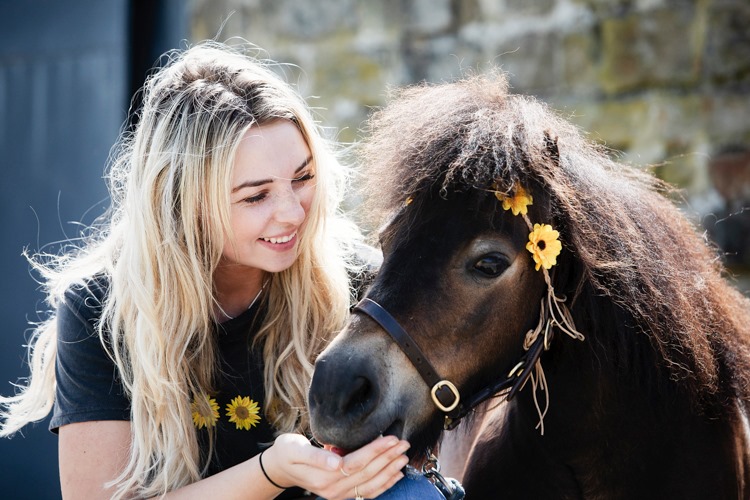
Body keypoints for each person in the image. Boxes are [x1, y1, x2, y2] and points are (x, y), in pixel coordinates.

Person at [0, 41, 444, 500]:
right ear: (183, 203)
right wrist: (271, 472)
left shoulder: (360, 285)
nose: (292, 213)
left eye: (303, 177)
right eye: (256, 196)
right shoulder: (101, 310)